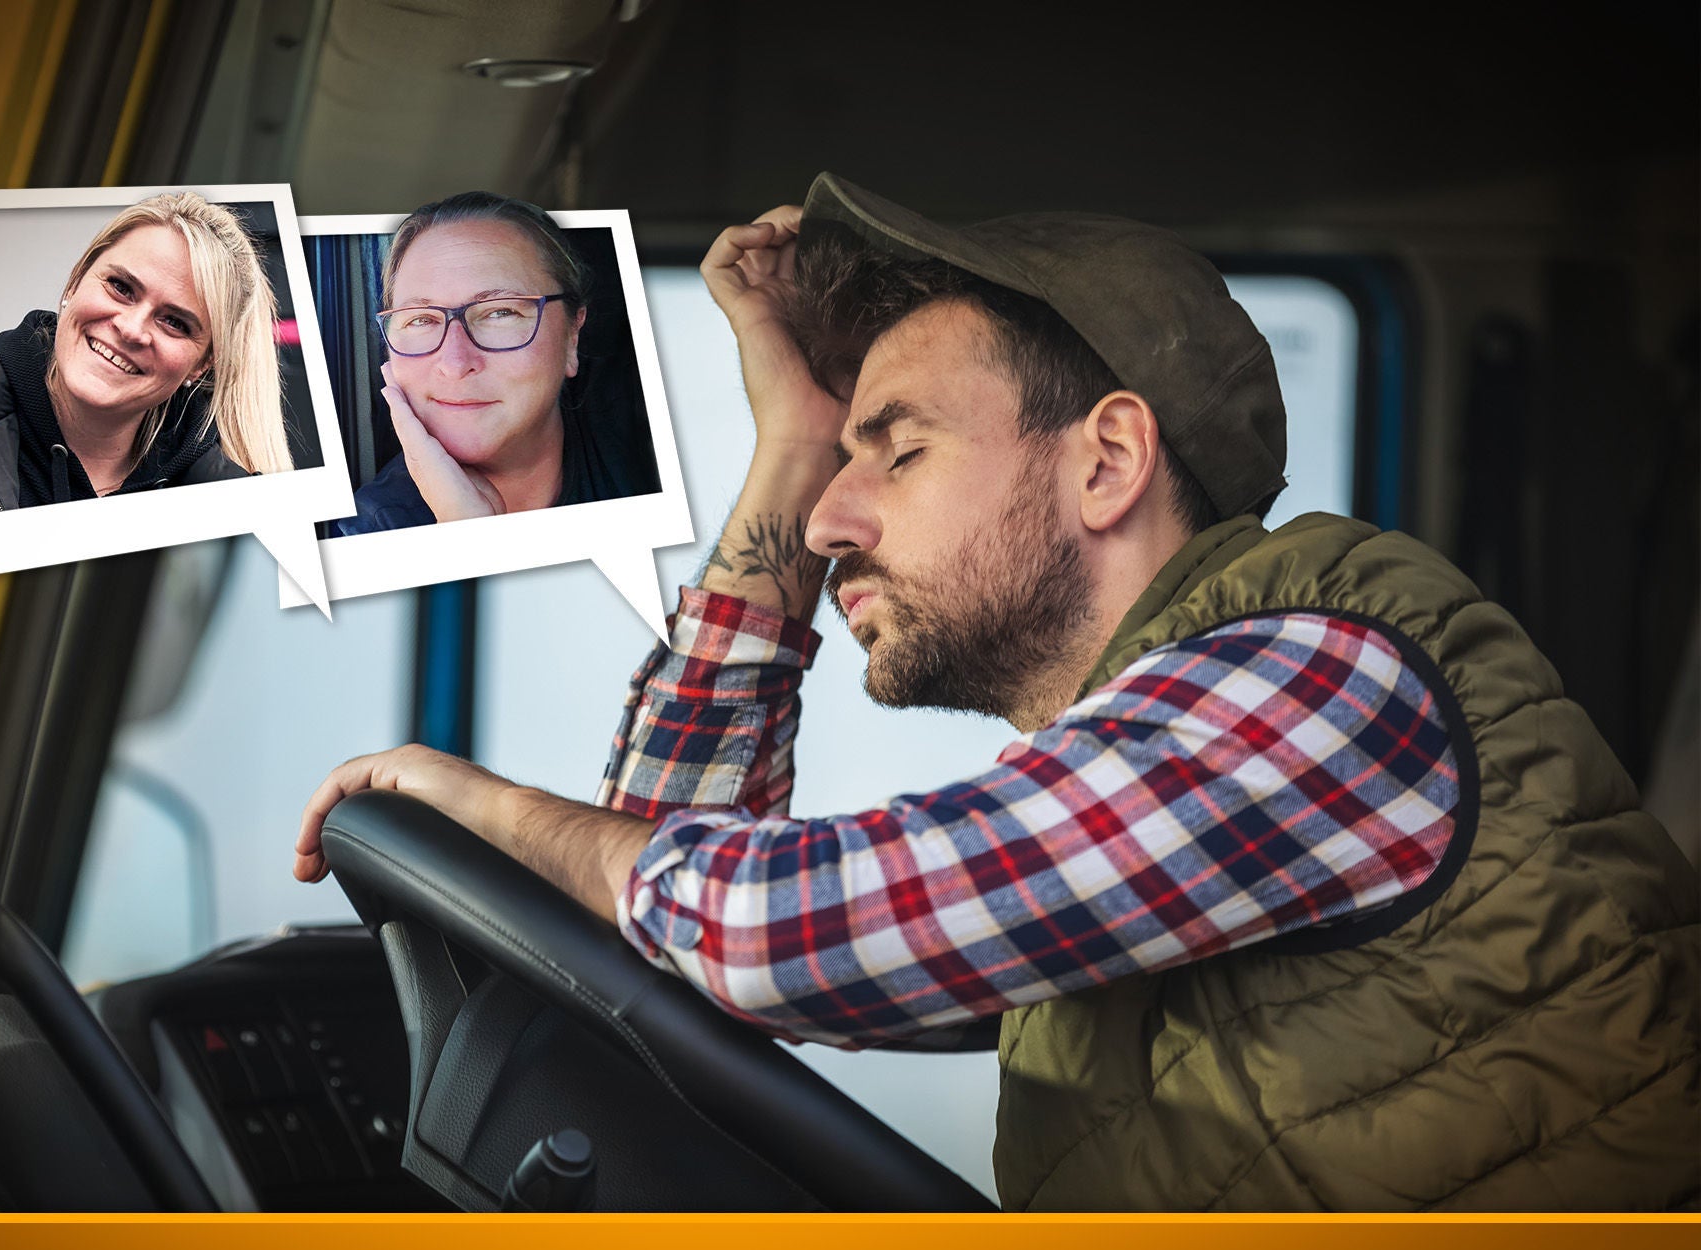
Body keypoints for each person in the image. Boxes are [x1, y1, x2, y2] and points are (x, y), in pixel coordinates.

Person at [293, 173, 1699, 1209]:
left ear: (1106, 461)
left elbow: (768, 931)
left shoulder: (1322, 677)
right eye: (831, 466)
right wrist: (788, 446)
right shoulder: (1138, 798)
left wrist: (476, 800)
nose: (833, 518)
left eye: (892, 452)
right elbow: (640, 945)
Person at [328, 192, 654, 534]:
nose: (455, 363)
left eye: (501, 313)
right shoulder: (371, 531)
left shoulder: (648, 455)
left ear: (572, 336)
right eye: (421, 319)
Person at [0, 191, 294, 512]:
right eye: (121, 287)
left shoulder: (238, 511)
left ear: (202, 365)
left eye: (175, 322)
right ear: (76, 281)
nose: (131, 329)